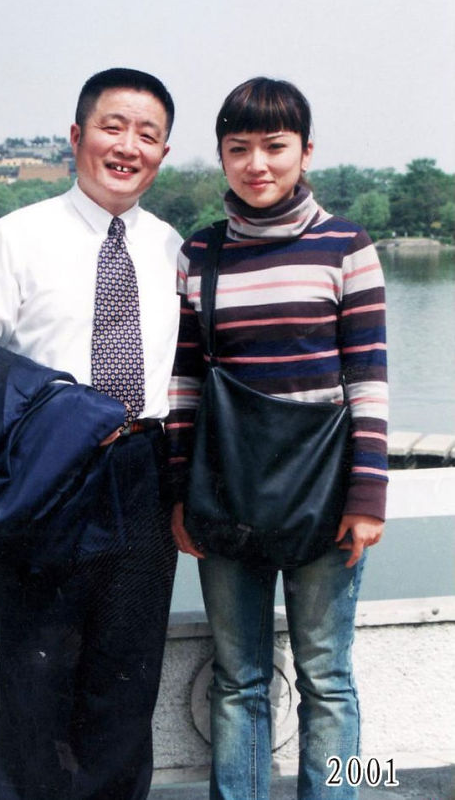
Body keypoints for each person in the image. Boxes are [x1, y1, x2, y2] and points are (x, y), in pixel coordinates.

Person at [0, 68, 182, 800]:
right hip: (51, 473)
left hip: (142, 472)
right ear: (77, 137)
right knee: (36, 673)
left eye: (147, 135)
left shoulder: (174, 248)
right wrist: (69, 413)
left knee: (126, 673)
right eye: (113, 127)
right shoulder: (17, 236)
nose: (128, 146)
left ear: (162, 154)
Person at [166, 77, 388, 800]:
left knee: (328, 680)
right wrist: (180, 494)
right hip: (226, 495)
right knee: (239, 680)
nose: (257, 163)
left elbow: (368, 383)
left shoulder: (347, 248)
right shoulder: (200, 255)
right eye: (239, 149)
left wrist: (368, 496)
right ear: (221, 158)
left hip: (326, 497)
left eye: (274, 146)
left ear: (305, 150)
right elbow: (185, 387)